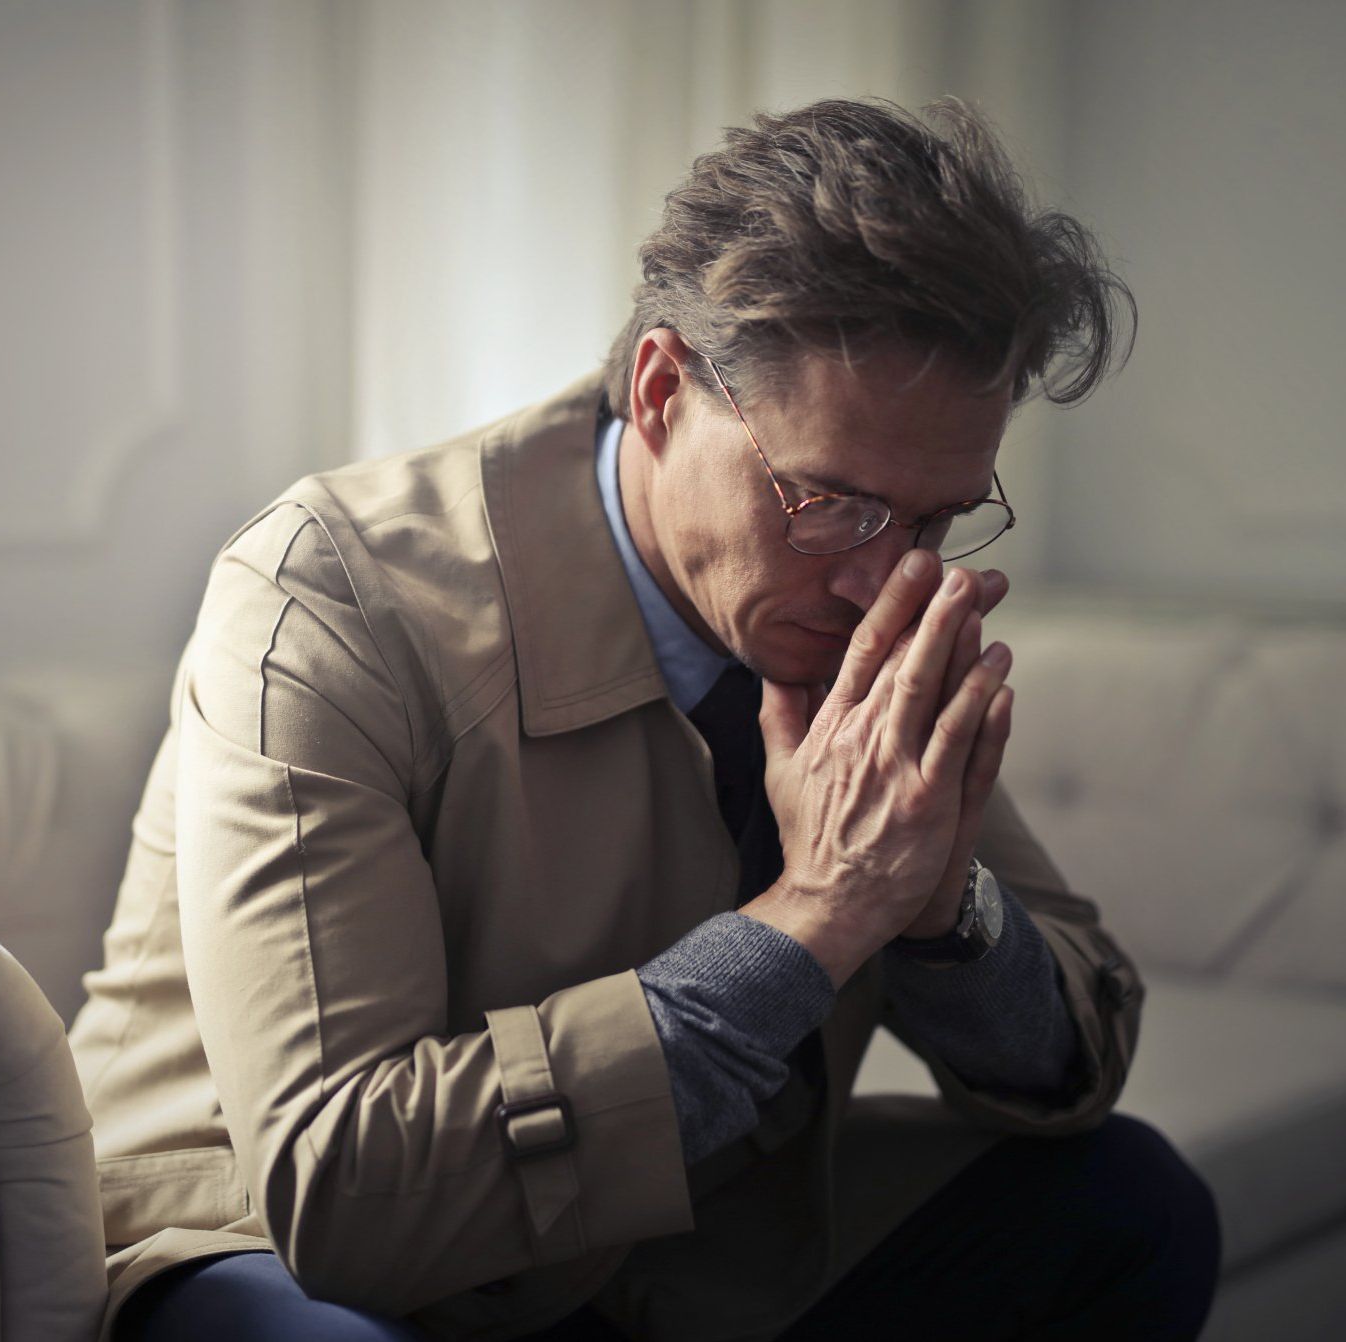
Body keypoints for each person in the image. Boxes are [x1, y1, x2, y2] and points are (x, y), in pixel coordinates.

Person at [69, 96, 1221, 1341]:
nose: (879, 576)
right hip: (272, 1255)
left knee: (1130, 1204)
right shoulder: (328, 595)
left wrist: (941, 908)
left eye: (933, 519)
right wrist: (818, 919)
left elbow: (1077, 1054)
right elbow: (348, 1190)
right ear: (665, 388)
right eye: (828, 501)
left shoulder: (852, 614)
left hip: (665, 1246)